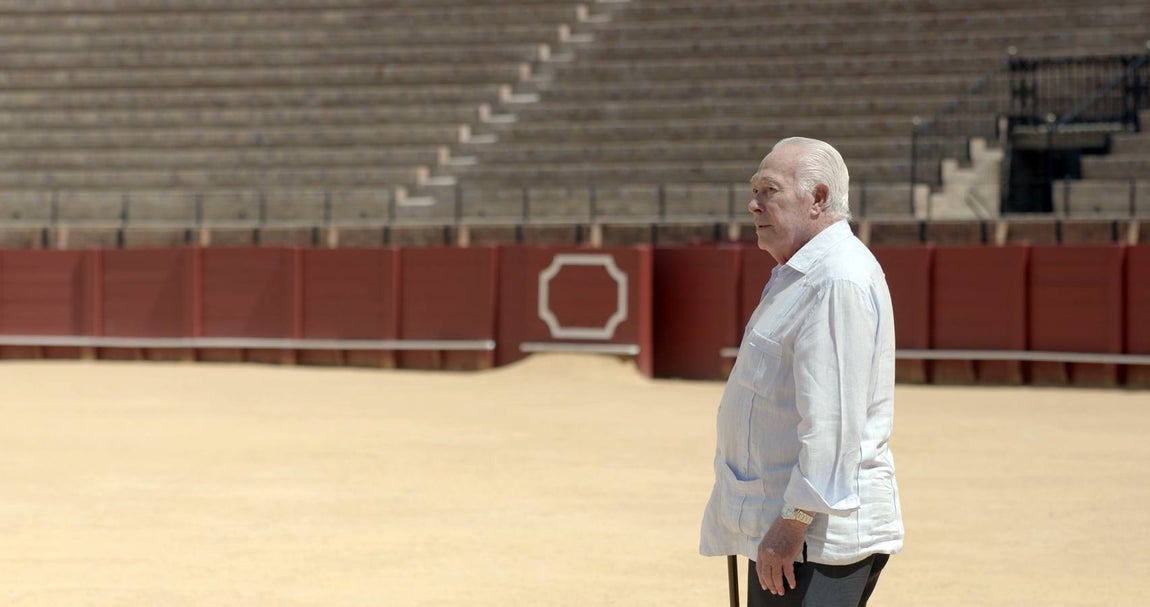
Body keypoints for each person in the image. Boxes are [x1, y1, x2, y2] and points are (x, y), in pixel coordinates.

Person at [699, 137, 904, 607]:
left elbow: (831, 425)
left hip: (814, 540)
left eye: (768, 190)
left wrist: (791, 523)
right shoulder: (803, 272)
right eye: (754, 190)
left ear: (818, 198)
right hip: (793, 531)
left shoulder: (835, 279)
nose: (753, 205)